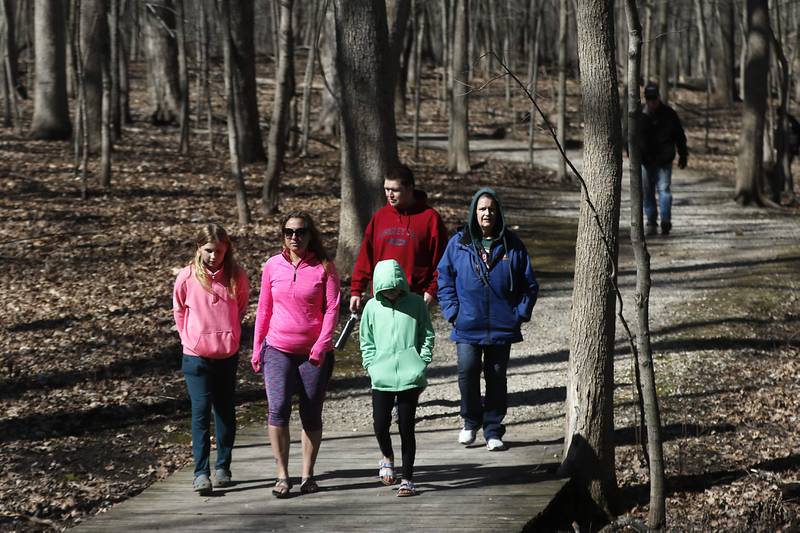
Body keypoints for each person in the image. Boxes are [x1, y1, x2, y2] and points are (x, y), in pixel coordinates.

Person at [437, 188, 539, 451]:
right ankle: (470, 422)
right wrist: (452, 312)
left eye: (491, 209)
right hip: (467, 324)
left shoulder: (512, 244)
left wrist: (520, 314)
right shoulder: (459, 242)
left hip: (502, 326)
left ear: (498, 213)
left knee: (496, 376)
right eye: (482, 209)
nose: (487, 213)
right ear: (474, 212)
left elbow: (529, 284)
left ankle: (493, 429)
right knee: (467, 371)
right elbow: (445, 278)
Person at [251, 211, 341, 498]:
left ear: (310, 234)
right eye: (289, 232)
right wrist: (257, 347)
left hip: (313, 354)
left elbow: (332, 309)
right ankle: (281, 475)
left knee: (310, 413)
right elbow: (264, 309)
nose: (295, 237)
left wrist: (321, 344)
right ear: (283, 235)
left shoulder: (324, 268)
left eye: (300, 232)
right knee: (277, 409)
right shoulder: (272, 266)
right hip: (277, 349)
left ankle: (307, 474)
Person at [173, 223, 249, 495]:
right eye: (208, 250)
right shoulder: (186, 276)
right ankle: (201, 472)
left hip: (226, 355)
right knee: (200, 412)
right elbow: (180, 310)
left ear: (226, 249)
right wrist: (189, 339)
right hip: (196, 357)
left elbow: (240, 307)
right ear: (199, 248)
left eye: (218, 251)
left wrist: (229, 335)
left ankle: (223, 467)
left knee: (225, 412)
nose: (213, 256)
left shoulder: (236, 275)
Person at [360, 259, 435, 497]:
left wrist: (421, 362)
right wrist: (371, 364)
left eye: (395, 287)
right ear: (378, 286)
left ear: (402, 283)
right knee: (380, 424)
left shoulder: (416, 303)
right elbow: (366, 340)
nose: (391, 291)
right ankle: (387, 456)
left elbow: (427, 334)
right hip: (381, 375)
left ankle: (408, 479)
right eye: (386, 287)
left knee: (406, 427)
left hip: (410, 375)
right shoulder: (371, 306)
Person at [349, 165, 448, 313]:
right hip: (381, 298)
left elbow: (442, 260)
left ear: (410, 188)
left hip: (415, 297)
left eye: (394, 190)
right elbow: (366, 257)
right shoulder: (380, 217)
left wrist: (433, 290)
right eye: (386, 189)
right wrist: (356, 290)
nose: (389, 194)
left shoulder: (430, 219)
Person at [639, 82, 688, 236]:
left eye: (654, 98)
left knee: (664, 190)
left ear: (659, 97)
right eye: (649, 98)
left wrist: (683, 154)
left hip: (664, 161)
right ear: (645, 99)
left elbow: (679, 136)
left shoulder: (669, 114)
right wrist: (631, 152)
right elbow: (630, 136)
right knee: (647, 193)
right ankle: (651, 221)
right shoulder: (639, 115)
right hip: (645, 161)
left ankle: (665, 220)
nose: (652, 102)